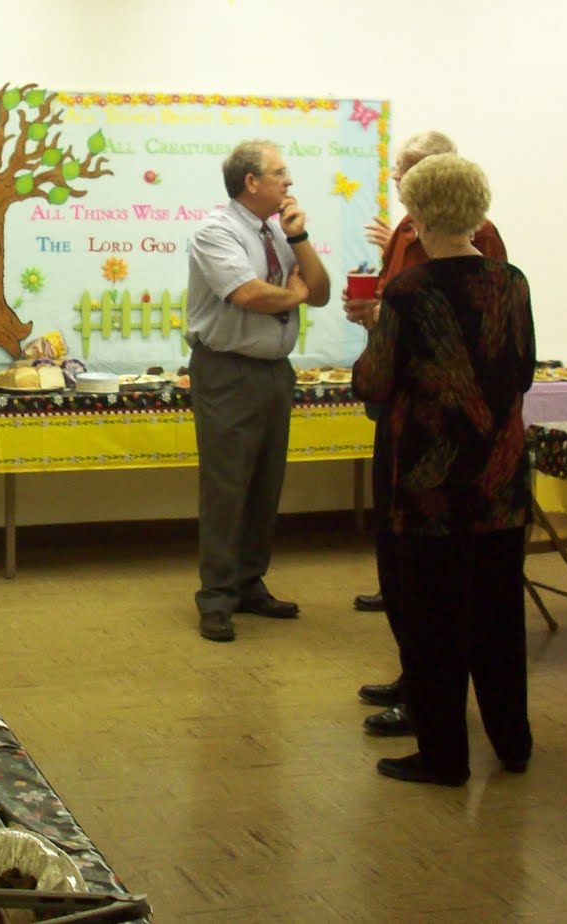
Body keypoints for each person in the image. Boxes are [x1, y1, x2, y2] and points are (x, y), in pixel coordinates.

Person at [351, 153, 535, 786]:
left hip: (430, 485)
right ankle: (513, 742)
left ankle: (444, 756)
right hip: (501, 478)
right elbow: (524, 373)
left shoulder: (408, 290)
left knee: (435, 624)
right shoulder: (511, 281)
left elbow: (374, 379)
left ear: (418, 212)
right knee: (499, 617)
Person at [186, 140, 331, 642]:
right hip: (227, 372)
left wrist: (302, 237)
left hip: (275, 372)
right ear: (251, 182)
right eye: (280, 173)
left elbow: (324, 290)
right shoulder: (215, 232)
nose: (289, 182)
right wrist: (293, 295)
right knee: (227, 486)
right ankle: (217, 598)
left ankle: (250, 584)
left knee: (266, 484)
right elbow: (247, 294)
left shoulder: (280, 230)